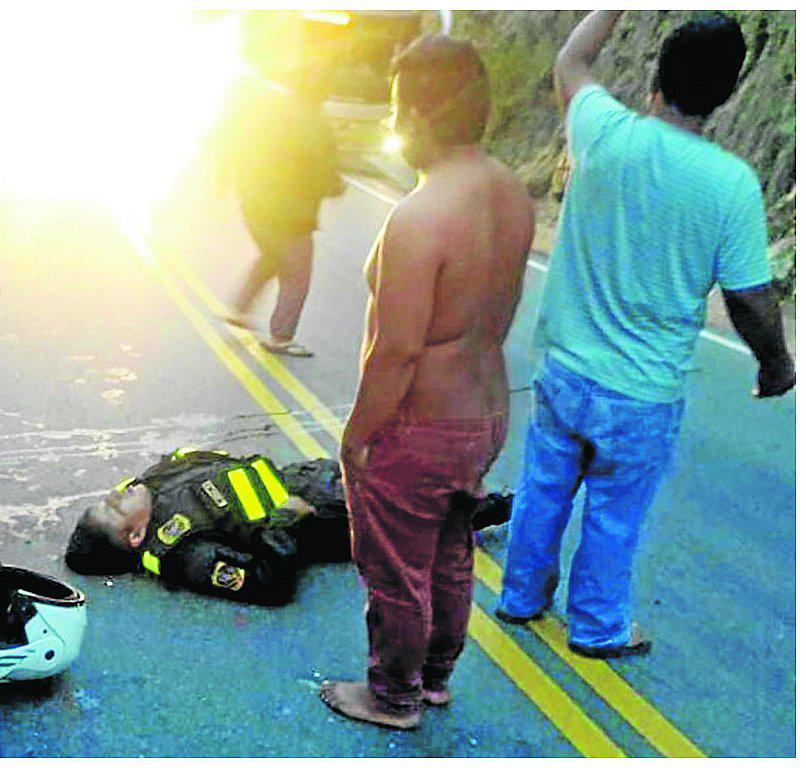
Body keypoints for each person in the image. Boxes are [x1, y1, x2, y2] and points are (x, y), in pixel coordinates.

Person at [496, 12, 795, 658]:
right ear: (728, 92)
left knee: (544, 488)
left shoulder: (602, 129)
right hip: (642, 392)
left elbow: (570, 64)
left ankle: (520, 596)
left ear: (655, 75)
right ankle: (599, 627)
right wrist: (775, 364)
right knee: (614, 516)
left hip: (567, 370)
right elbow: (747, 297)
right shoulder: (731, 185)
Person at [321, 36, 534, 730]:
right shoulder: (510, 192)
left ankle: (393, 696)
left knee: (395, 572)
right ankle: (434, 679)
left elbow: (397, 353)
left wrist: (358, 437)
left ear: (410, 109)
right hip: (484, 415)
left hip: (420, 425)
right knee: (449, 554)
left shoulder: (419, 217)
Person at [64, 449, 512, 605]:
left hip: (307, 475)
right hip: (330, 517)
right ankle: (513, 509)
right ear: (136, 537)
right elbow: (269, 584)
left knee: (415, 464)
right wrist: (285, 521)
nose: (118, 493)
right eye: (113, 507)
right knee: (435, 511)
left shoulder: (151, 488)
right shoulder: (186, 553)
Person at [218, 35, 345, 358]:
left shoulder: (272, 108)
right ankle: (281, 337)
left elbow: (240, 140)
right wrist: (336, 186)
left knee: (273, 255)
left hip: (255, 208)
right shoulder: (317, 125)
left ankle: (240, 308)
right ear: (324, 88)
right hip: (291, 218)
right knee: (297, 275)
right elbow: (325, 177)